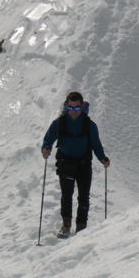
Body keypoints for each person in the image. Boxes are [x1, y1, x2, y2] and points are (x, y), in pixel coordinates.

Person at [41, 91, 110, 237]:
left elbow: (96, 145)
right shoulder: (59, 123)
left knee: (84, 196)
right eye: (70, 107)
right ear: (66, 106)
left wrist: (103, 158)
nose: (73, 111)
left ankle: (81, 227)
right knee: (66, 195)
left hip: (84, 164)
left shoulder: (89, 125)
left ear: (82, 106)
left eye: (77, 108)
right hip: (65, 163)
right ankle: (66, 225)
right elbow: (48, 139)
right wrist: (46, 149)